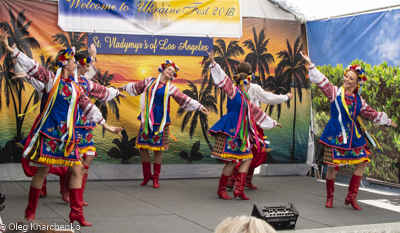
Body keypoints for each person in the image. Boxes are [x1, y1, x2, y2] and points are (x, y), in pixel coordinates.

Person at [1, 30, 123, 226]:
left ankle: (76, 213)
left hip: (67, 137)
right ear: (65, 63)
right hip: (49, 134)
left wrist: (107, 126)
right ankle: (30, 211)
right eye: (74, 61)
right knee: (42, 171)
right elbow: (33, 66)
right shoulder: (51, 79)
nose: (76, 64)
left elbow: (88, 107)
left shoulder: (76, 87)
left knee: (77, 169)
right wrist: (10, 50)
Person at [300, 51, 397, 210]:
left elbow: (371, 114)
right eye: (346, 76)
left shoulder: (360, 101)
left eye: (351, 78)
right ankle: (330, 197)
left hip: (353, 137)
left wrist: (388, 122)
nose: (346, 79)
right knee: (333, 167)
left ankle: (351, 196)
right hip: (336, 134)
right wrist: (310, 64)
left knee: (362, 162)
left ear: (357, 83)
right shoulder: (334, 92)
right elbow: (321, 81)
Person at [117, 60, 210, 188]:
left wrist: (199, 107)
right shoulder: (149, 81)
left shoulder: (170, 87)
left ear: (173, 76)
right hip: (147, 118)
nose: (170, 72)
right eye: (169, 69)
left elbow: (183, 97)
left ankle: (156, 177)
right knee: (143, 147)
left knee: (157, 149)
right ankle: (147, 175)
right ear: (163, 69)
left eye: (173, 72)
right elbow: (136, 86)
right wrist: (120, 88)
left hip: (160, 120)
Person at [207, 51, 282, 200]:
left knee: (247, 158)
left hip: (242, 132)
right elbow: (222, 79)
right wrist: (213, 62)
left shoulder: (246, 98)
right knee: (232, 160)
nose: (249, 86)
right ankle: (222, 189)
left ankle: (239, 189)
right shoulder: (233, 91)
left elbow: (257, 112)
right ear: (244, 82)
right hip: (232, 130)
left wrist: (273, 123)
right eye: (248, 83)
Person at [227, 62, 293, 190]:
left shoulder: (233, 88)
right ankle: (246, 180)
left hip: (238, 124)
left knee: (238, 150)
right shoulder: (254, 88)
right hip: (253, 124)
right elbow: (269, 98)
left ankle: (232, 179)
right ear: (250, 74)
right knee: (255, 151)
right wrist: (286, 97)